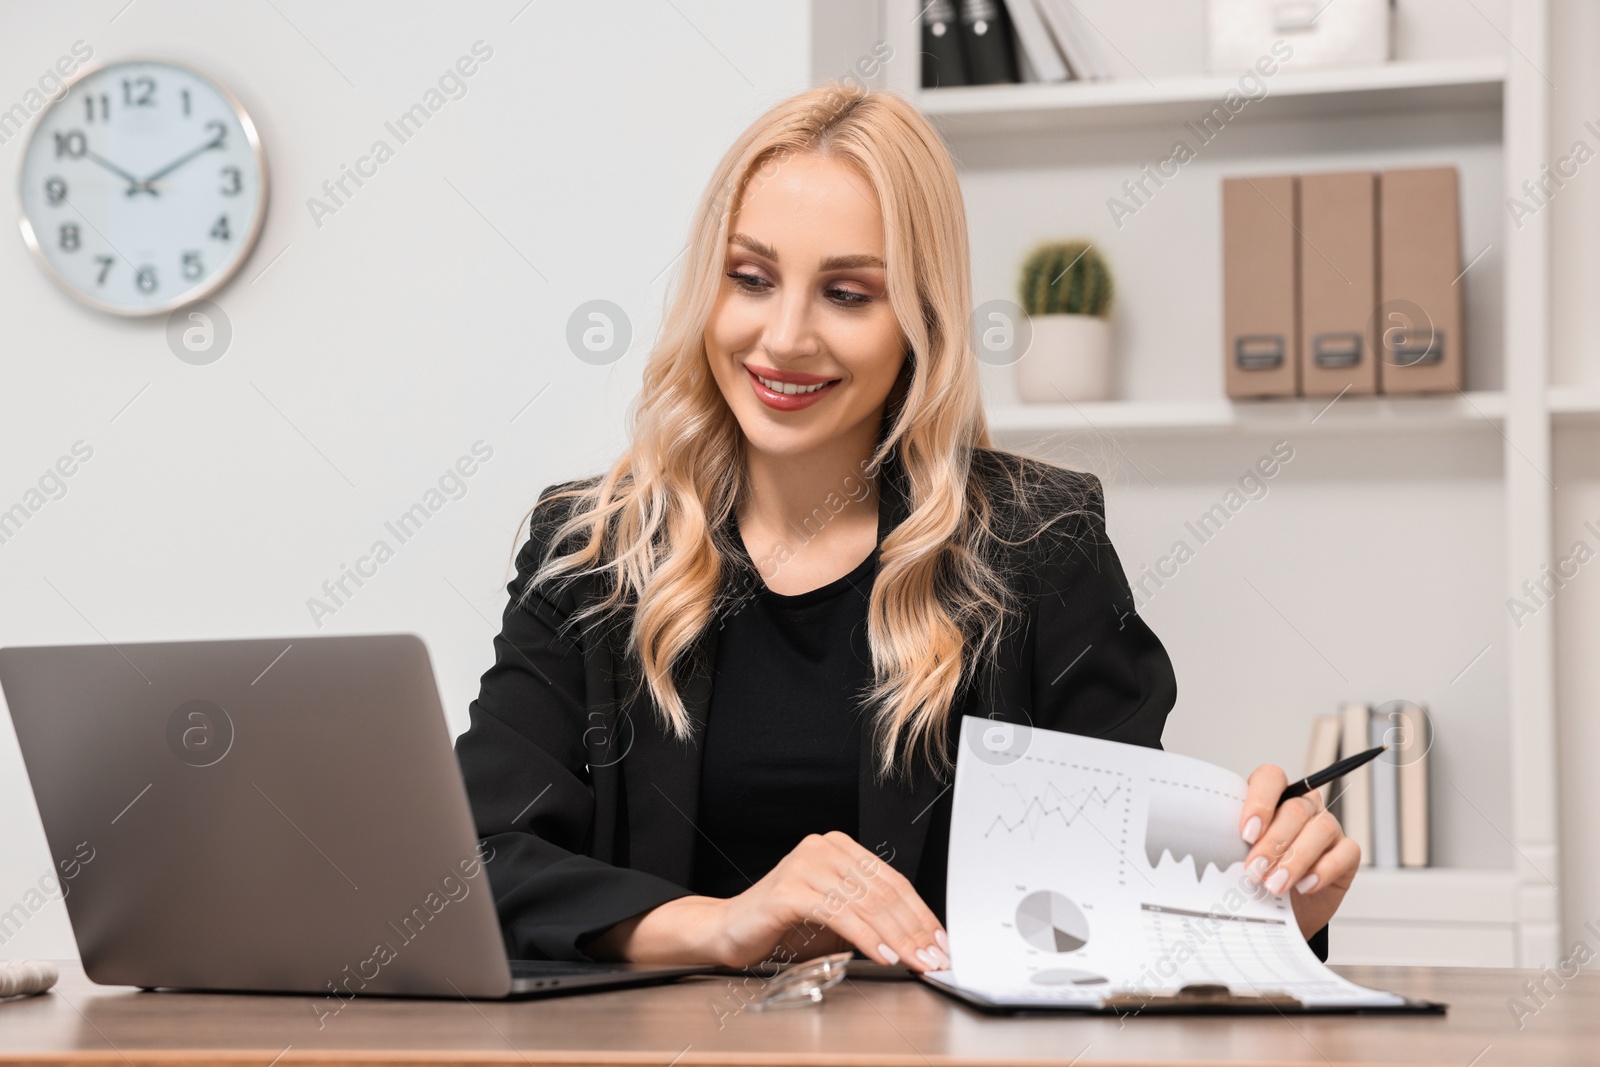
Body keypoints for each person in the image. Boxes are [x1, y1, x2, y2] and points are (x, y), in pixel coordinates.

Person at [453, 83, 1358, 976]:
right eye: (752, 278)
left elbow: (1110, 901)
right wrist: (725, 924)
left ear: (920, 321)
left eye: (847, 293)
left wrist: (1277, 907)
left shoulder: (1040, 545)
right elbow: (474, 863)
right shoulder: (593, 547)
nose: (785, 336)